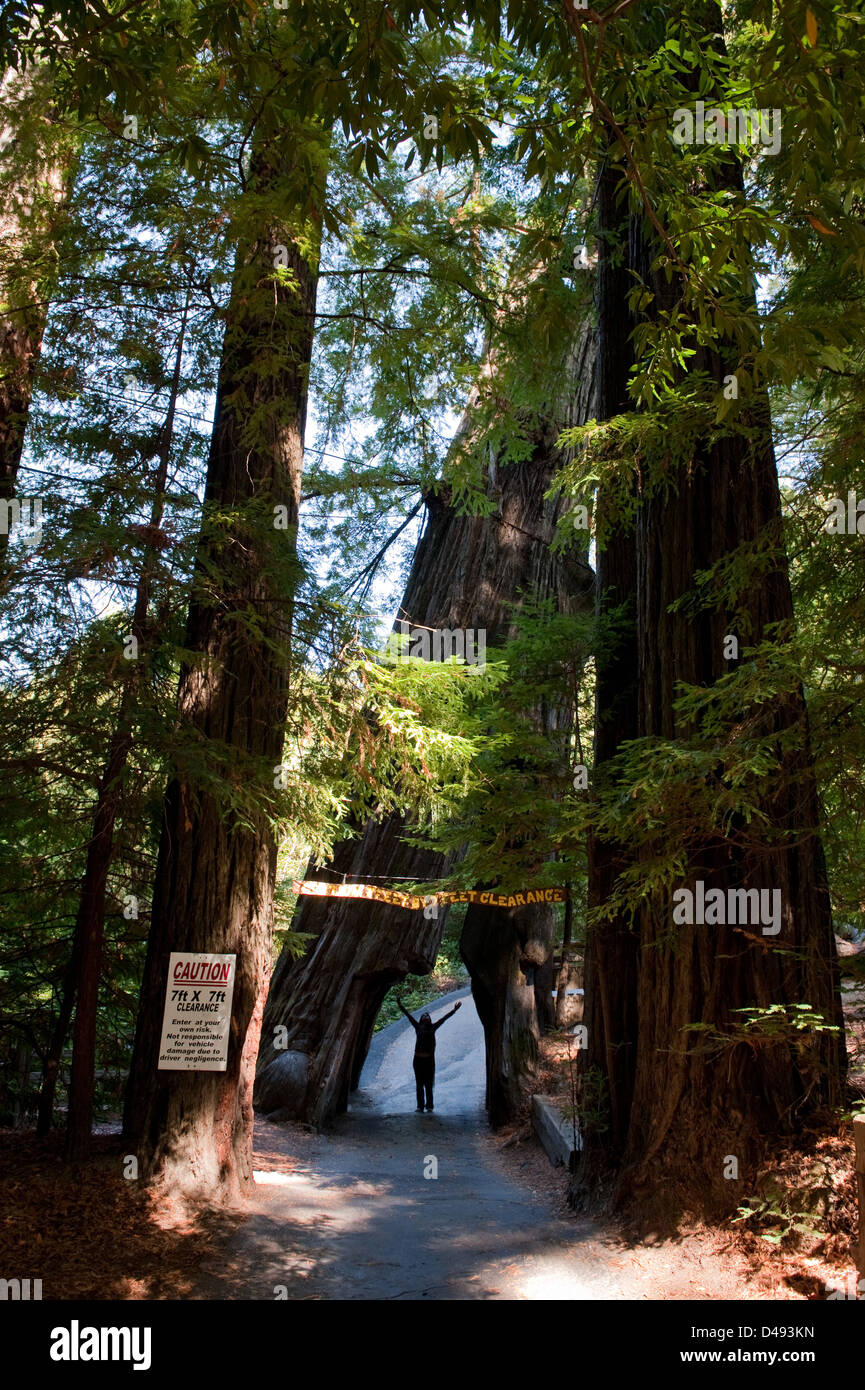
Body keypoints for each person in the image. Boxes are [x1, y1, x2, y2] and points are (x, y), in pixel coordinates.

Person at [396, 996, 462, 1112]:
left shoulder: (433, 1027)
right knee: (419, 1084)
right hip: (417, 1060)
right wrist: (400, 1005)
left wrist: (454, 1010)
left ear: (430, 1019)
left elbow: (444, 1018)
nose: (426, 1016)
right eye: (424, 1016)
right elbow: (408, 1016)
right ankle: (420, 1106)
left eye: (427, 1016)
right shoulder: (417, 1026)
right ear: (421, 1019)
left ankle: (430, 1106)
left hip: (428, 1060)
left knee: (428, 1083)